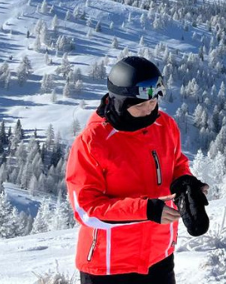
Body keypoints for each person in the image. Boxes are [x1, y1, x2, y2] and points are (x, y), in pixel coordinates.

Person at [66, 56, 209, 283]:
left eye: (153, 102)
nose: (149, 110)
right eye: (140, 105)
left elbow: (177, 163)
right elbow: (86, 209)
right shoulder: (93, 142)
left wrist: (185, 183)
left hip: (159, 256)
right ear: (120, 102)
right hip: (110, 266)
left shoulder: (165, 125)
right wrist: (146, 210)